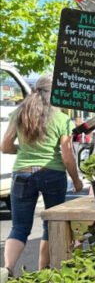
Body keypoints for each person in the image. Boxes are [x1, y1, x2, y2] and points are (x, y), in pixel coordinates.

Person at [1, 75, 83, 272]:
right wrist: (76, 180)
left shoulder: (19, 113)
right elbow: (67, 155)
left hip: (22, 174)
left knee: (19, 227)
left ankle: (7, 269)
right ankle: (43, 271)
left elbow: (5, 146)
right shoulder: (61, 118)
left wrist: (22, 151)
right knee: (51, 225)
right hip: (52, 174)